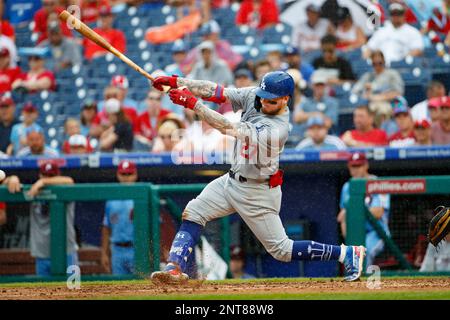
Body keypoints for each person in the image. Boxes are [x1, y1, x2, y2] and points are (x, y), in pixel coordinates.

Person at [149, 70, 366, 284]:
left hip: (257, 191)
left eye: (271, 101)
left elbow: (228, 127)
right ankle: (174, 268)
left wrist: (193, 105)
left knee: (282, 250)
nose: (263, 102)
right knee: (194, 212)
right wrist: (177, 81)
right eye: (263, 97)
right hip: (231, 180)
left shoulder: (277, 129)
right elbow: (217, 92)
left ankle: (346, 253)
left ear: (285, 100)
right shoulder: (257, 95)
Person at [3, 160, 78, 276]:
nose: (48, 178)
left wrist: (43, 181)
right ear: (39, 174)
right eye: (45, 175)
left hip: (66, 252)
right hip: (42, 255)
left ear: (58, 175)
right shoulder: (33, 190)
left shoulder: (65, 189)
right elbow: (6, 184)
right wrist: (11, 179)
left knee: (72, 292)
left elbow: (70, 181)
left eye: (51, 176)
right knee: (44, 293)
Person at [338, 152, 390, 270]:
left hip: (378, 232)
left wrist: (352, 211)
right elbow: (342, 218)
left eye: (358, 166)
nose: (355, 170)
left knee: (365, 251)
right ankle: (355, 282)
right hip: (356, 232)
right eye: (353, 166)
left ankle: (362, 285)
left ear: (366, 166)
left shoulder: (378, 183)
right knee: (351, 254)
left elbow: (378, 212)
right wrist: (349, 240)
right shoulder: (347, 187)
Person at [101, 160, 138, 275]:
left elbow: (156, 226)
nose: (126, 178)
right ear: (118, 175)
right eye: (123, 174)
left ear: (135, 175)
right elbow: (106, 228)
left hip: (137, 249)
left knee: (140, 287)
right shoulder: (112, 199)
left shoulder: (141, 196)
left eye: (129, 174)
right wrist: (104, 253)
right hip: (117, 250)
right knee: (119, 287)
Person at [351, 50, 404, 120]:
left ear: (384, 61)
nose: (377, 66)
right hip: (370, 103)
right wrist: (366, 93)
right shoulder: (368, 76)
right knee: (362, 112)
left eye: (380, 63)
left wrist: (380, 97)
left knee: (382, 110)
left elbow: (399, 92)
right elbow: (355, 90)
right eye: (374, 64)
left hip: (390, 103)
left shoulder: (392, 74)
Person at [293, 70, 339, 138]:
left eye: (322, 85)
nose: (319, 88)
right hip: (307, 136)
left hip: (328, 136)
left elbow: (328, 123)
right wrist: (316, 114)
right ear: (313, 86)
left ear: (325, 86)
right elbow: (297, 118)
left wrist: (305, 116)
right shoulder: (306, 102)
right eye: (317, 85)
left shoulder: (332, 102)